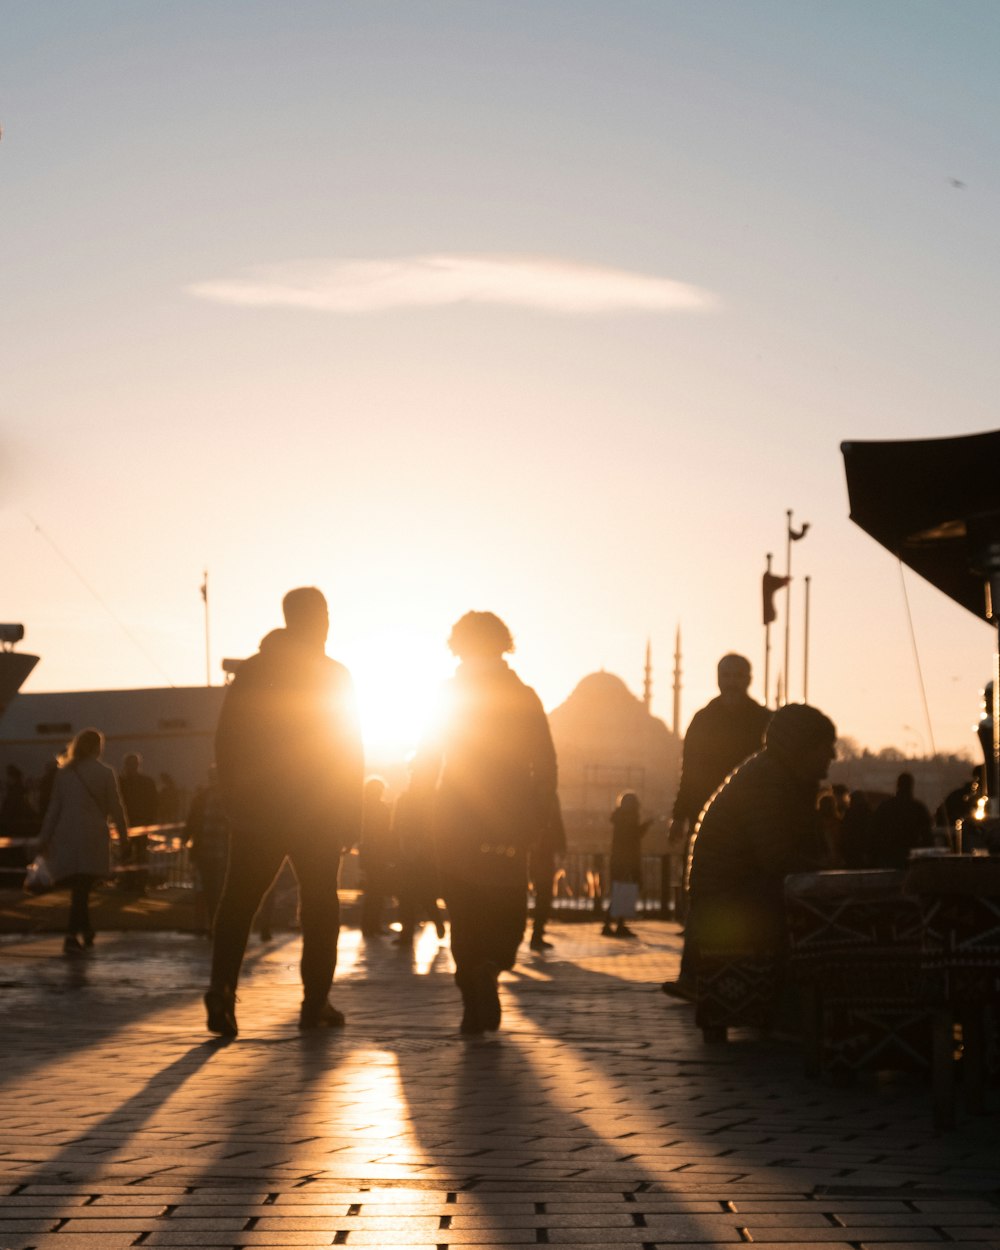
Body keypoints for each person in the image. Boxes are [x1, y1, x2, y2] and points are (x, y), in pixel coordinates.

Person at [205, 586, 363, 1038]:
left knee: (238, 902)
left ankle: (221, 989)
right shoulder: (334, 674)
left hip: (259, 811)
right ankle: (315, 1003)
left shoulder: (254, 671)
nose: (328, 621)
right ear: (314, 620)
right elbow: (349, 747)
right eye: (325, 613)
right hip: (316, 811)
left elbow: (227, 739)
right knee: (319, 907)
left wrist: (235, 799)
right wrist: (352, 813)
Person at [412, 611, 559, 1035]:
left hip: (454, 817)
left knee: (464, 908)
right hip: (508, 818)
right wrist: (539, 812)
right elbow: (544, 762)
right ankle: (492, 965)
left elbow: (426, 759)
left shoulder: (447, 695)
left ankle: (471, 982)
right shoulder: (523, 695)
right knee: (507, 903)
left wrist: (417, 810)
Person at [679, 703, 835, 998]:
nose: (832, 756)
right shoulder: (767, 783)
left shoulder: (776, 778)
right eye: (825, 746)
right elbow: (778, 859)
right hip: (730, 903)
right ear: (802, 748)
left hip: (731, 895)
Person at [669, 654, 771, 917]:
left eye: (737, 676)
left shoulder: (763, 720)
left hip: (752, 815)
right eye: (727, 676)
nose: (732, 682)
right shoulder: (703, 720)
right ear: (718, 679)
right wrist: (679, 816)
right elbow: (689, 771)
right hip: (708, 813)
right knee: (707, 876)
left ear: (748, 679)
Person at [35, 728, 129, 954]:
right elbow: (116, 808)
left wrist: (44, 838)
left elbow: (54, 809)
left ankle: (85, 930)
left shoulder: (65, 774)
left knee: (79, 886)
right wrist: (124, 837)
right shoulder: (105, 773)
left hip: (66, 836)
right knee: (83, 886)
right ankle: (72, 934)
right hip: (93, 836)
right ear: (98, 747)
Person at [184, 764, 231, 935]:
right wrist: (186, 837)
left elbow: (191, 821)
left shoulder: (204, 798)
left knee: (213, 890)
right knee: (212, 889)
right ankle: (214, 924)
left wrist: (186, 837)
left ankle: (213, 923)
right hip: (212, 852)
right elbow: (192, 821)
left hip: (218, 852)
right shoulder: (219, 798)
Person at [602, 791, 651, 939]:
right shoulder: (628, 818)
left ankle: (614, 924)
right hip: (627, 860)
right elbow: (633, 836)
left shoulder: (620, 818)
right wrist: (646, 826)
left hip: (619, 859)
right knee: (624, 891)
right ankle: (615, 924)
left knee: (621, 891)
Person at [358, 776, 397, 937]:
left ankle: (369, 925)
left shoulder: (363, 808)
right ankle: (373, 925)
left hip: (370, 855)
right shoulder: (381, 809)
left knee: (372, 892)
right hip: (379, 855)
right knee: (377, 892)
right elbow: (387, 833)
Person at [869, 772, 932, 869]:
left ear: (897, 785)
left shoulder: (885, 806)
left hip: (888, 857)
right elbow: (927, 836)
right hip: (912, 858)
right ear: (911, 786)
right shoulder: (918, 808)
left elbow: (874, 831)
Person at [528, 792, 566, 951]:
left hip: (536, 854)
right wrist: (562, 846)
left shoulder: (534, 795)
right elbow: (558, 823)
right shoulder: (549, 797)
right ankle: (537, 934)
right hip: (543, 855)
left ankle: (537, 932)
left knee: (542, 894)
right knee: (544, 895)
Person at [118, 752, 158, 876]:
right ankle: (140, 881)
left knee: (127, 852)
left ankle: (128, 880)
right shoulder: (147, 782)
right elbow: (154, 803)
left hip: (127, 822)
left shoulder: (121, 782)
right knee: (141, 853)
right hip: (142, 822)